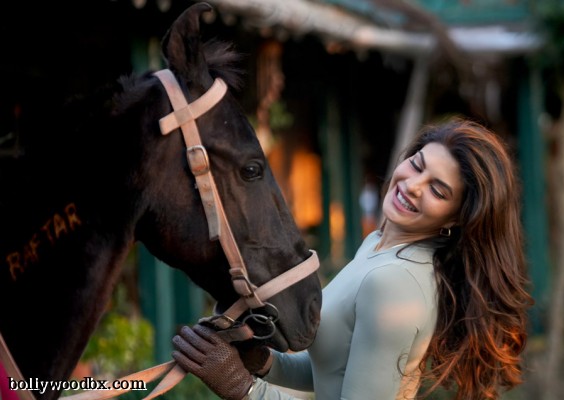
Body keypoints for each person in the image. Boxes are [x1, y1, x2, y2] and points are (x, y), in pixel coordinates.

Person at [171, 117, 534, 400]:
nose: (412, 186)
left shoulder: (395, 282)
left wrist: (243, 388)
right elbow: (333, 370)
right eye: (417, 164)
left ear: (455, 219)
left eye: (437, 191)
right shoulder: (378, 245)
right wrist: (262, 362)